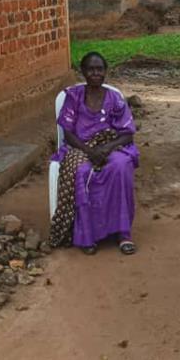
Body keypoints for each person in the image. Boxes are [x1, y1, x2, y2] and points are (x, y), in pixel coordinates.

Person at [49, 51, 138, 255]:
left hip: (111, 145)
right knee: (81, 172)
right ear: (84, 72)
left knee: (120, 167)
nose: (95, 73)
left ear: (105, 72)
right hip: (80, 147)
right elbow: (68, 134)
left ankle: (123, 233)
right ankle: (87, 236)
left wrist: (105, 148)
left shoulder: (115, 99)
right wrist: (89, 151)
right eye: (91, 69)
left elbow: (127, 134)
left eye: (99, 69)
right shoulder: (74, 97)